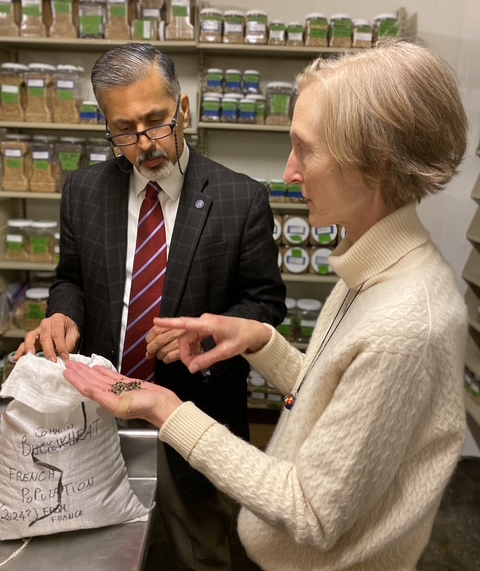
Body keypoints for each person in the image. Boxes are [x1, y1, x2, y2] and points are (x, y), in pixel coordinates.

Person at [63, 40, 468, 571]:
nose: (290, 171)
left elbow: (311, 512)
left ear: (372, 160)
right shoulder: (371, 274)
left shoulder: (407, 320)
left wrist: (166, 408)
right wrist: (262, 341)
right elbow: (334, 393)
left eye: (304, 148)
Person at [15, 43, 287, 570]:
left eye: (157, 122)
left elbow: (265, 302)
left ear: (182, 107)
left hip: (197, 414)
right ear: (107, 127)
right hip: (98, 413)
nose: (145, 144)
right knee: (97, 550)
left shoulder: (240, 198)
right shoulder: (83, 191)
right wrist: (63, 313)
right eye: (125, 130)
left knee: (199, 551)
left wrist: (208, 332)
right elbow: (70, 278)